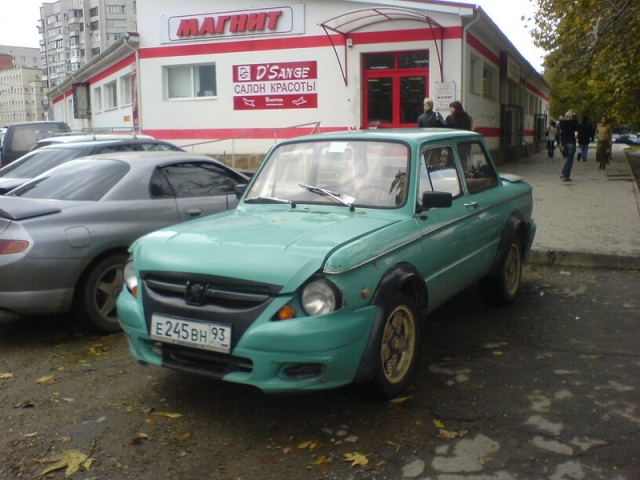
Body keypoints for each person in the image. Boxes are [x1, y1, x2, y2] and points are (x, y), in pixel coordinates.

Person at [558, 108, 579, 181]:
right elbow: (577, 127)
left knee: (568, 160)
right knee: (570, 160)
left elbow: (561, 133)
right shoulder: (572, 122)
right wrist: (575, 118)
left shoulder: (562, 122)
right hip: (571, 142)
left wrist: (561, 144)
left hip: (564, 142)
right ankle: (566, 176)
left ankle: (564, 173)